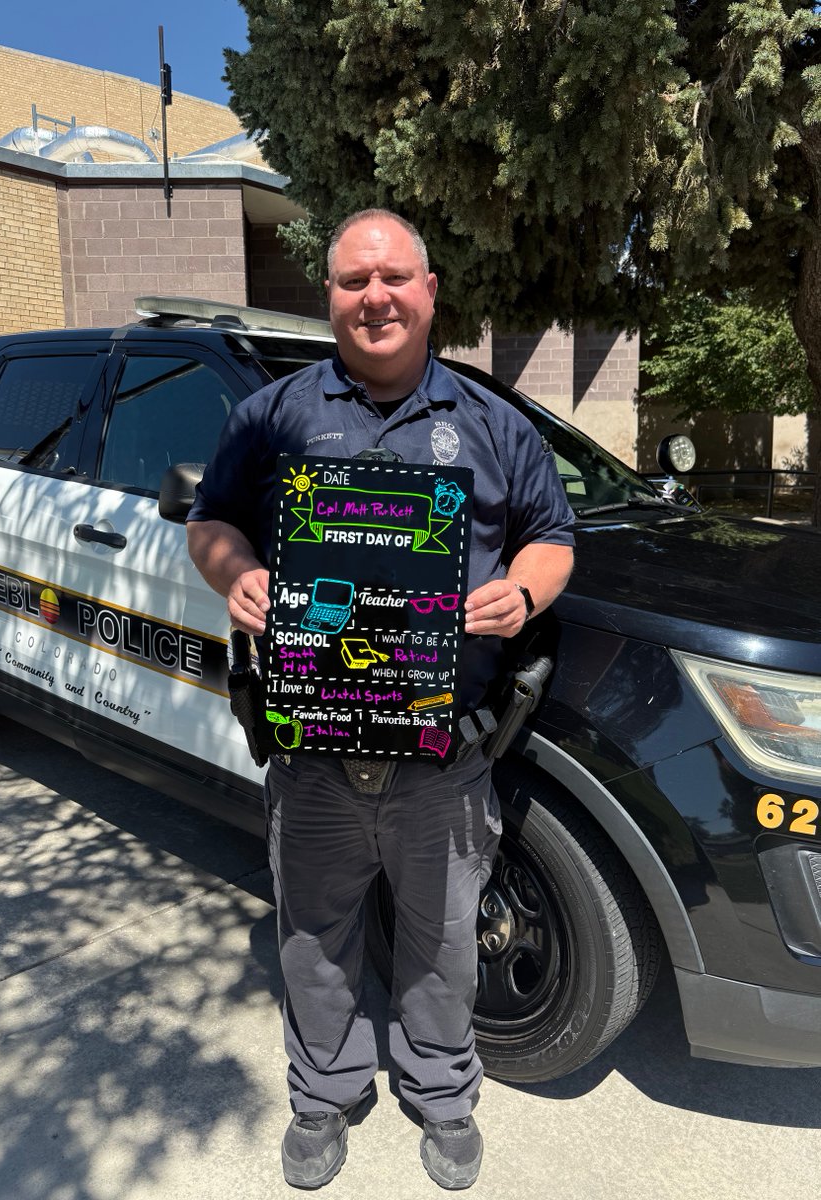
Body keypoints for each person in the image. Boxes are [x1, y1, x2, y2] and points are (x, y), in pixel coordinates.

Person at [186, 209, 575, 1190]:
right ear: (330, 298)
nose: (375, 297)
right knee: (314, 936)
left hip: (445, 754)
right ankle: (323, 1097)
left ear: (428, 291)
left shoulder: (492, 423)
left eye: (393, 277)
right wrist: (230, 571)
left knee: (443, 943)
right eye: (354, 281)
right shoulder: (273, 416)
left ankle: (443, 1096)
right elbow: (211, 518)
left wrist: (521, 590)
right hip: (315, 749)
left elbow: (553, 535)